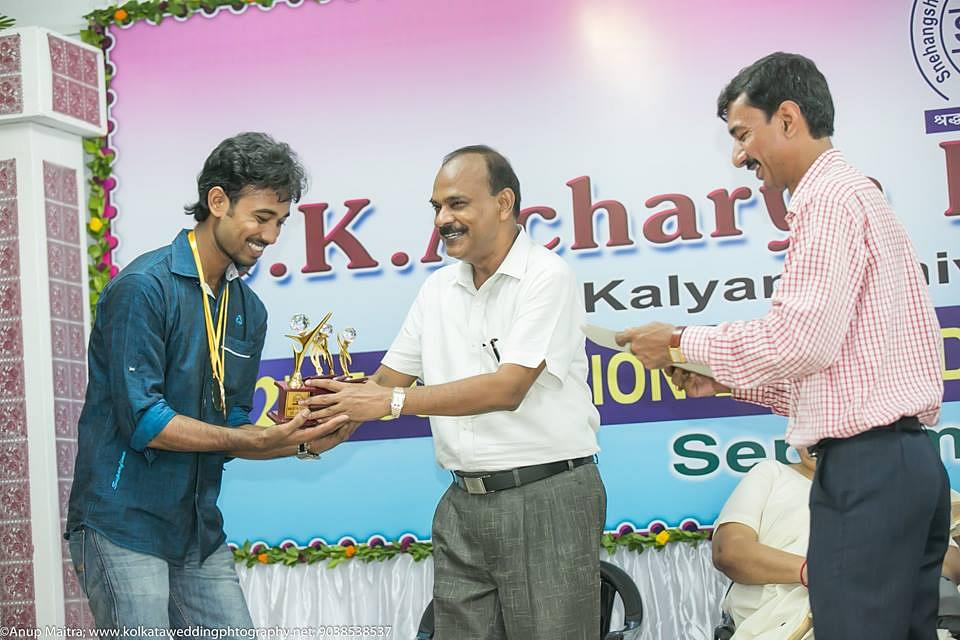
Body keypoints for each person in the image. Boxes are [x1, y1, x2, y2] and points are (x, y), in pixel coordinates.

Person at [615, 52, 948, 640]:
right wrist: (723, 379)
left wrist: (678, 341)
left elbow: (800, 341)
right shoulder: (858, 195)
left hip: (868, 473)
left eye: (743, 134)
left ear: (788, 118)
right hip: (908, 466)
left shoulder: (826, 200)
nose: (738, 156)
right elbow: (843, 375)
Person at [302, 145, 605, 639]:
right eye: (437, 207)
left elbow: (508, 388)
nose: (443, 219)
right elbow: (388, 381)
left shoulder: (547, 276)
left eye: (457, 204)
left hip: (545, 497)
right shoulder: (437, 288)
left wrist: (391, 403)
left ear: (504, 203)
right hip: (463, 502)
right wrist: (331, 420)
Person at [65, 132, 354, 635]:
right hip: (122, 525)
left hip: (198, 532)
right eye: (261, 217)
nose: (270, 235)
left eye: (280, 222)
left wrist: (299, 442)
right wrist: (254, 440)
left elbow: (233, 424)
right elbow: (146, 421)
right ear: (217, 201)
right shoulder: (143, 288)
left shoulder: (248, 309)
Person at [713, 453, 960, 640]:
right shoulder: (772, 474)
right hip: (778, 626)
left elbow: (947, 563)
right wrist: (819, 573)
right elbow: (730, 551)